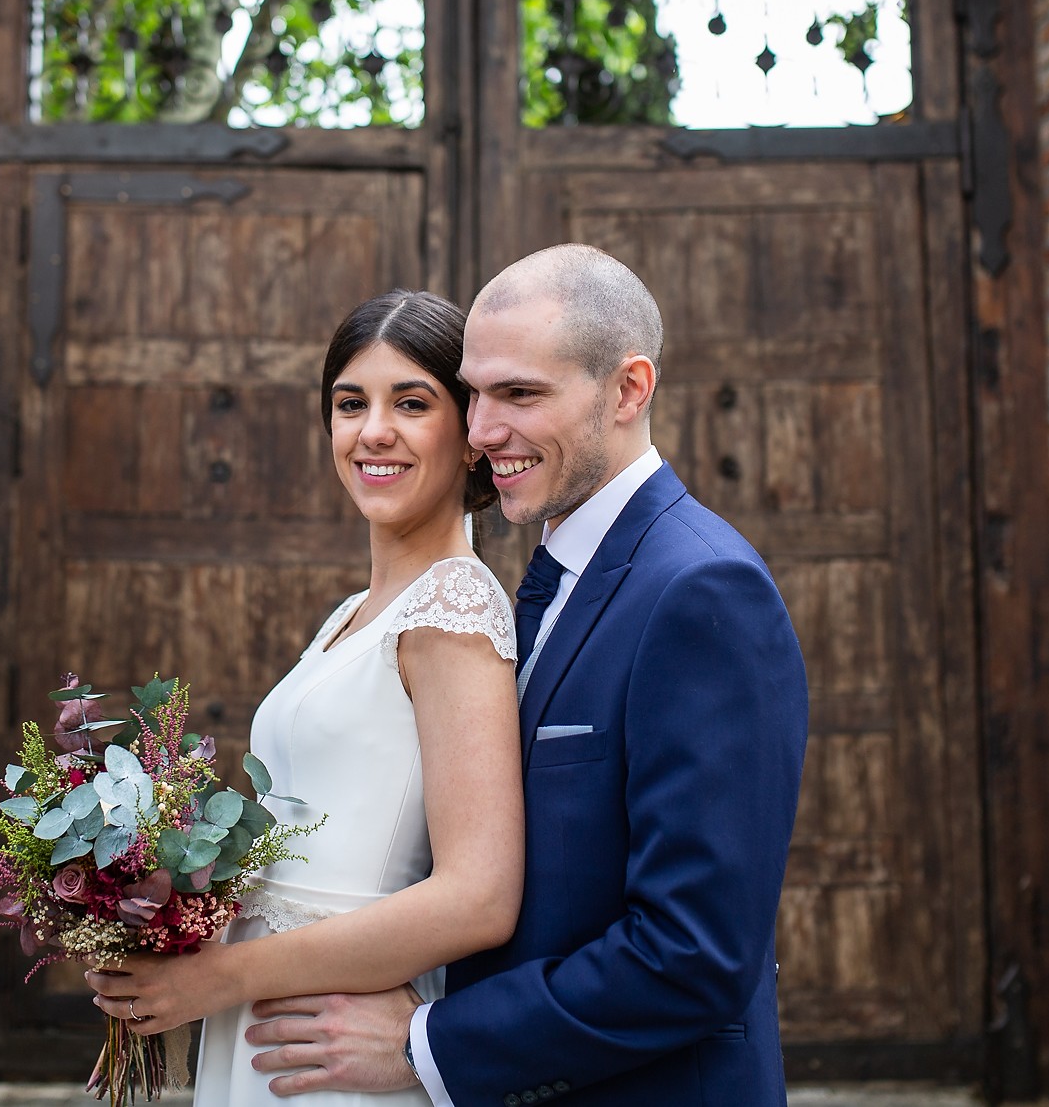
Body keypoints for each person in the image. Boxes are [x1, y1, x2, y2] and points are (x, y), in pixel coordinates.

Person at [238, 245, 810, 1105]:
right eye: (475, 394)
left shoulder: (699, 590)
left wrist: (428, 1043)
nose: (480, 432)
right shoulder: (546, 582)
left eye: (521, 394)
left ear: (627, 389)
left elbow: (694, 954)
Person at [85, 289, 526, 1106]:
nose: (374, 431)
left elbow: (480, 896)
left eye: (412, 403)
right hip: (268, 1018)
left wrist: (223, 975)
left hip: (337, 1038)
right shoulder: (350, 618)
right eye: (350, 403)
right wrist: (167, 908)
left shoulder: (455, 612)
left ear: (469, 436)